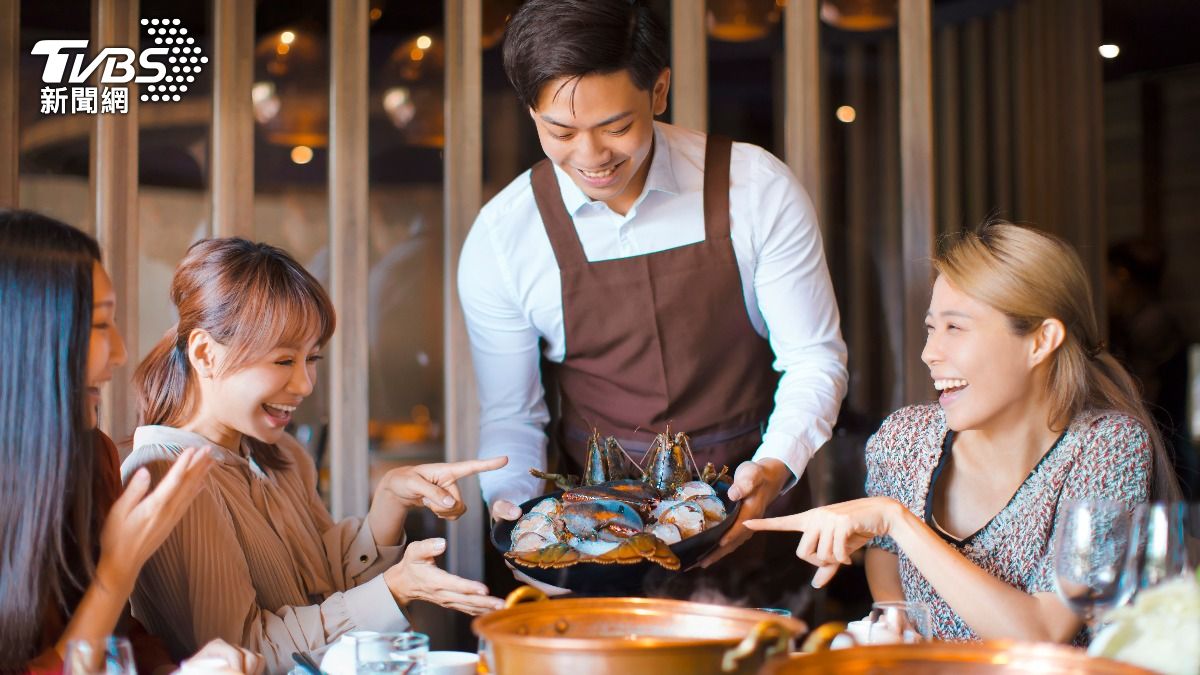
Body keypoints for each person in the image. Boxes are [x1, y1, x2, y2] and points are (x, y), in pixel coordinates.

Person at [458, 0, 847, 601]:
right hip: (598, 543)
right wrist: (515, 511)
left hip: (756, 515)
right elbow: (514, 415)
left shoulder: (755, 188)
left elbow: (814, 359)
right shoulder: (505, 236)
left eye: (616, 127)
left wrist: (774, 467)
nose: (590, 157)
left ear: (659, 90)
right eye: (560, 132)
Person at [746, 222, 1182, 642]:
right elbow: (895, 599)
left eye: (955, 327)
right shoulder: (906, 439)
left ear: (1041, 341)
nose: (929, 353)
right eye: (931, 328)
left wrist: (896, 520)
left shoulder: (1107, 448)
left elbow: (1045, 632)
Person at [123, 238, 508, 673]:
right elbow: (244, 651)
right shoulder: (164, 474)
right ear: (205, 353)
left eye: (313, 358)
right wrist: (395, 588)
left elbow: (326, 583)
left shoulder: (279, 453)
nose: (305, 384)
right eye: (285, 360)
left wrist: (390, 500)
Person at [0, 210, 260, 674]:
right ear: (27, 334)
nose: (120, 352)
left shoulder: (88, 455)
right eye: (100, 325)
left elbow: (119, 636)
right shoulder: (149, 456)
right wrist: (119, 567)